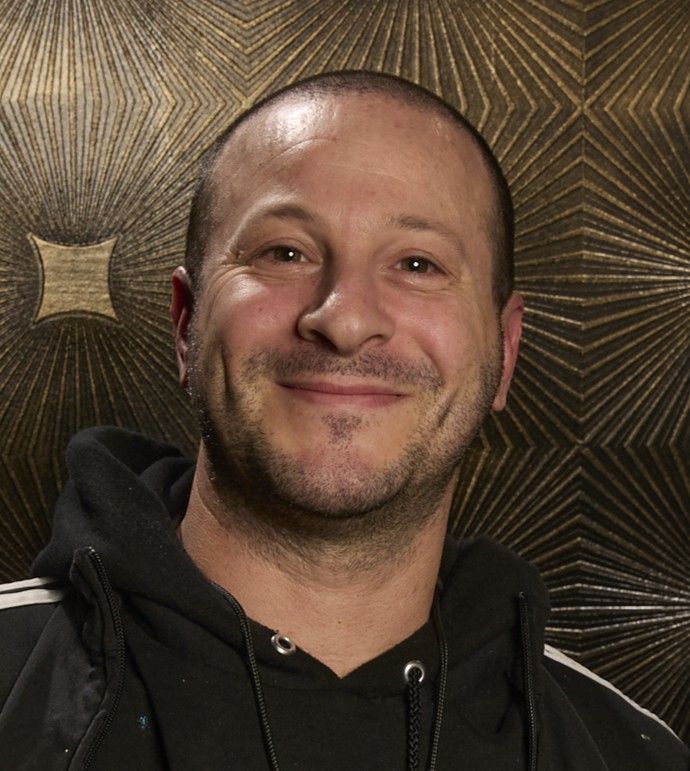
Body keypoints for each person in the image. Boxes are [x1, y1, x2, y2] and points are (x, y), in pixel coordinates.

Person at [0, 71, 686, 771]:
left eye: (418, 263)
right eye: (284, 252)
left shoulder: (631, 752)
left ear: (504, 353)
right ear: (185, 325)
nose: (345, 319)